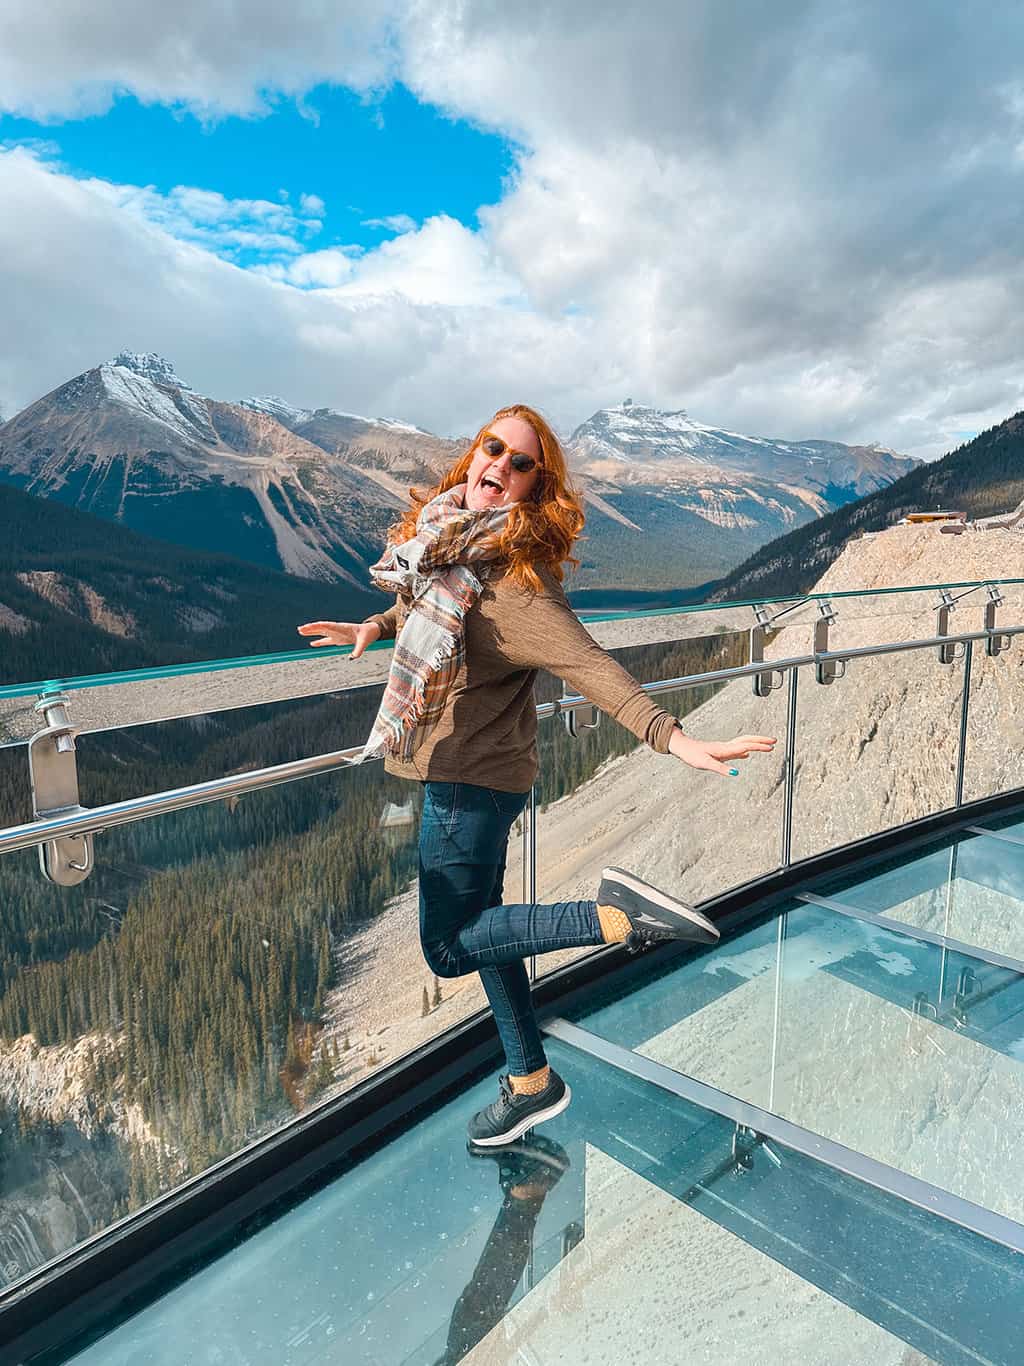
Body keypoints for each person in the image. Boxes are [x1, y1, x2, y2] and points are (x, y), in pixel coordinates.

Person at [298, 404, 776, 1148]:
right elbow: (432, 606)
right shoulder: (457, 544)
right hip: (479, 775)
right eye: (495, 448)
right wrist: (374, 626)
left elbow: (586, 661)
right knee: (489, 931)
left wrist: (673, 737)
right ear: (474, 453)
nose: (503, 467)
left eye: (523, 464)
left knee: (451, 946)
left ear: (535, 486)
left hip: (469, 783)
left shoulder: (516, 582)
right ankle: (531, 1080)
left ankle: (617, 919)